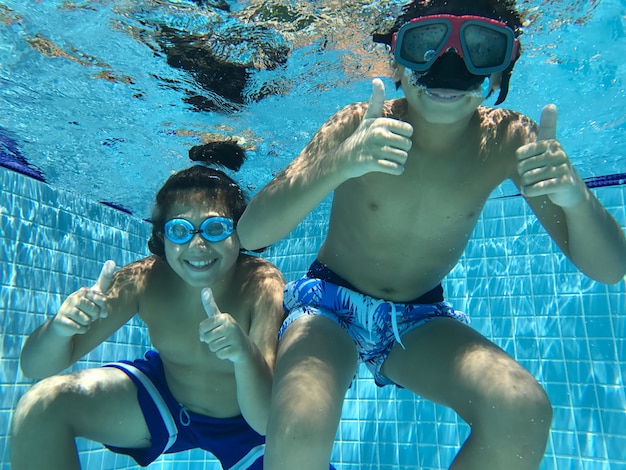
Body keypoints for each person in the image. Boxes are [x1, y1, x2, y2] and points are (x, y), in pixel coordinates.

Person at [236, 1, 626, 469]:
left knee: (522, 407)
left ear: (502, 71)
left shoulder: (510, 138)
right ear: (398, 64)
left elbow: (608, 268)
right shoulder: (357, 122)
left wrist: (576, 197)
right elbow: (252, 232)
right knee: (299, 427)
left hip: (418, 319)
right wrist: (338, 164)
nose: (450, 66)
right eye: (425, 44)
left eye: (482, 48)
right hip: (327, 305)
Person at [10, 141, 286, 470]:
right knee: (41, 405)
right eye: (180, 230)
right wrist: (59, 329)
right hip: (167, 402)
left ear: (238, 232)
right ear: (163, 236)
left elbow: (265, 420)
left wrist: (244, 356)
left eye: (214, 228)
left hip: (245, 425)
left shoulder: (261, 282)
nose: (198, 245)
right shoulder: (145, 278)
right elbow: (34, 367)